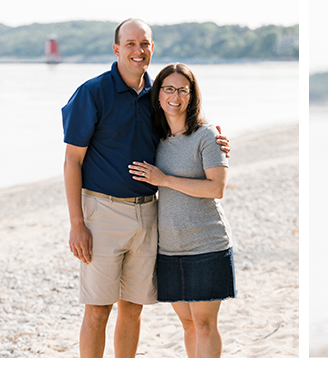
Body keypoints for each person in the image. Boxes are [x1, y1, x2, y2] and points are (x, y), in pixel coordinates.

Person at [61, 18, 229, 358]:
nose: (138, 51)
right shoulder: (93, 92)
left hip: (150, 212)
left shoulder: (157, 95)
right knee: (97, 309)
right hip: (102, 213)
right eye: (131, 44)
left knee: (133, 308)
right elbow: (71, 162)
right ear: (116, 49)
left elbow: (185, 129)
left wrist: (216, 139)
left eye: (145, 44)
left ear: (152, 48)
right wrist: (77, 224)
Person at [128, 63, 235, 358]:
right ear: (158, 94)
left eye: (183, 90)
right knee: (187, 324)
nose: (175, 96)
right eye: (169, 89)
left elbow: (216, 188)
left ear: (192, 96)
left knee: (204, 324)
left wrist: (164, 180)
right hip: (169, 249)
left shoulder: (207, 135)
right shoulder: (156, 138)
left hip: (206, 244)